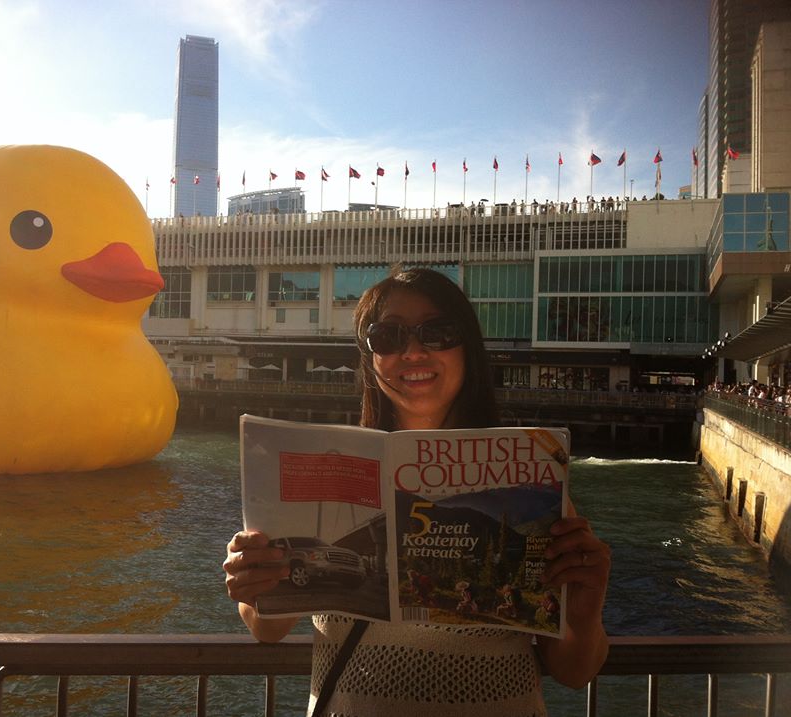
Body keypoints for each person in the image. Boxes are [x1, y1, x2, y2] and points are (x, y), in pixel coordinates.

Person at [223, 268, 611, 716]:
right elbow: (267, 630)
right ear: (369, 357)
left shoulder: (531, 474)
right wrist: (253, 586)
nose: (412, 351)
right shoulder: (329, 470)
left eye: (437, 332)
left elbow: (574, 672)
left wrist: (585, 613)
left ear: (468, 348)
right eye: (387, 336)